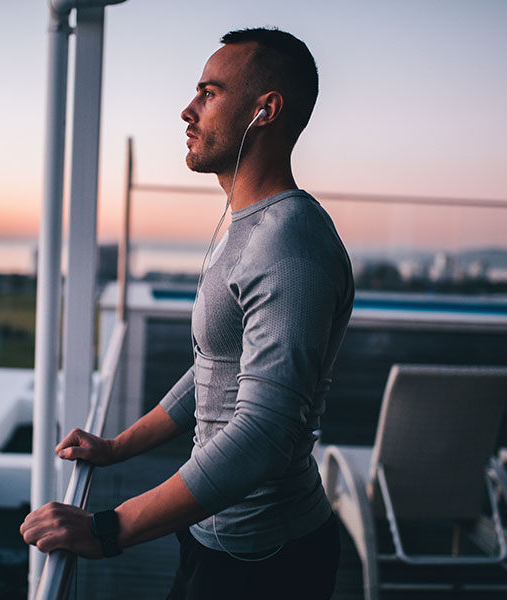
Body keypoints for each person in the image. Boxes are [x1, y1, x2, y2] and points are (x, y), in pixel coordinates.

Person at [21, 27, 354, 599]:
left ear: (264, 110)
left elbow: (265, 432)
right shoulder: (247, 227)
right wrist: (117, 448)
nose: (187, 110)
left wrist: (111, 527)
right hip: (215, 538)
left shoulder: (289, 240)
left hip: (265, 561)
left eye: (209, 92)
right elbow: (213, 368)